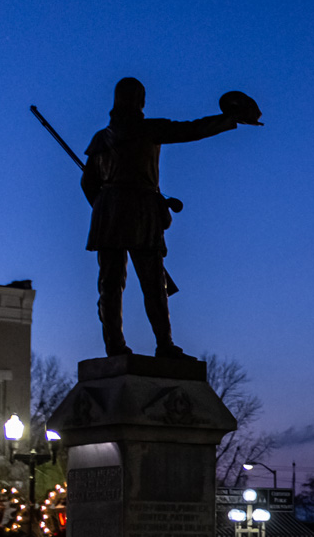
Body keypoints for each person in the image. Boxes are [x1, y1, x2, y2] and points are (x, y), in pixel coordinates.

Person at [81, 77, 248, 357]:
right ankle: (165, 345)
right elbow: (192, 130)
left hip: (108, 216)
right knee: (153, 283)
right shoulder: (148, 129)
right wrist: (228, 119)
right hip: (141, 212)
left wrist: (104, 208)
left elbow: (88, 184)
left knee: (110, 285)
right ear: (140, 101)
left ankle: (115, 346)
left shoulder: (101, 139)